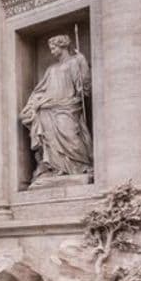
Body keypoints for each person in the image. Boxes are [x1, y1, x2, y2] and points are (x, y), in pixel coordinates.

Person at [20, 35, 93, 184]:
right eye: (51, 48)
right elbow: (40, 90)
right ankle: (56, 168)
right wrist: (34, 103)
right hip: (48, 108)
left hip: (68, 105)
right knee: (49, 138)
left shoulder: (75, 62)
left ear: (63, 46)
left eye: (54, 47)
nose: (52, 51)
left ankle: (81, 166)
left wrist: (83, 63)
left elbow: (84, 86)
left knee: (71, 135)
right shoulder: (51, 69)